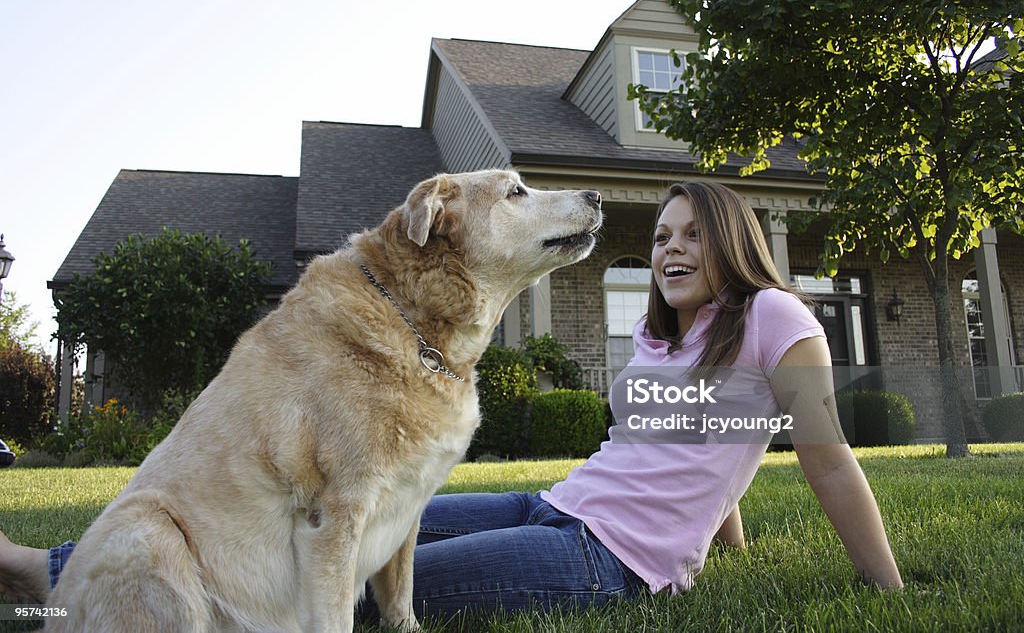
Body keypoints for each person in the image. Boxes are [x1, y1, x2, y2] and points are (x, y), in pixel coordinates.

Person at [0, 181, 902, 620]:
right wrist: (718, 528)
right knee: (372, 526)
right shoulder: (670, 334)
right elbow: (704, 445)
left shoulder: (780, 315)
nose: (669, 250)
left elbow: (820, 451)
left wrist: (884, 585)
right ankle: (72, 566)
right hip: (554, 504)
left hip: (609, 558)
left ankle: (62, 585)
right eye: (661, 236)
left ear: (735, 236)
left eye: (690, 233)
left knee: (341, 588)